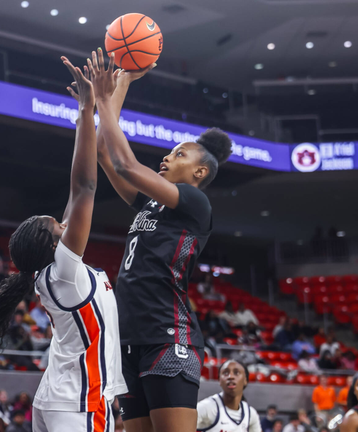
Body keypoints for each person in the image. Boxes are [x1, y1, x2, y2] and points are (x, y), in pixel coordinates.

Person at [0, 56, 126, 432]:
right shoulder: (65, 273)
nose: (66, 222)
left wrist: (87, 113)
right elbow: (84, 187)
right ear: (56, 246)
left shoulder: (50, 273)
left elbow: (75, 191)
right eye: (59, 225)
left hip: (59, 398)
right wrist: (87, 109)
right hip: (77, 402)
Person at [92, 47, 232, 432]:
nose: (168, 158)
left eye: (179, 154)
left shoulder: (194, 203)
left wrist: (105, 99)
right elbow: (105, 153)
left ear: (199, 171)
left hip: (168, 335)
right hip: (129, 339)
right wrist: (122, 83)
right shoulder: (151, 204)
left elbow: (125, 163)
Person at [195, 359, 260, 432]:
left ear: (245, 380)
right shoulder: (206, 407)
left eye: (236, 373)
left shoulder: (250, 413)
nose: (230, 377)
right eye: (225, 373)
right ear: (219, 380)